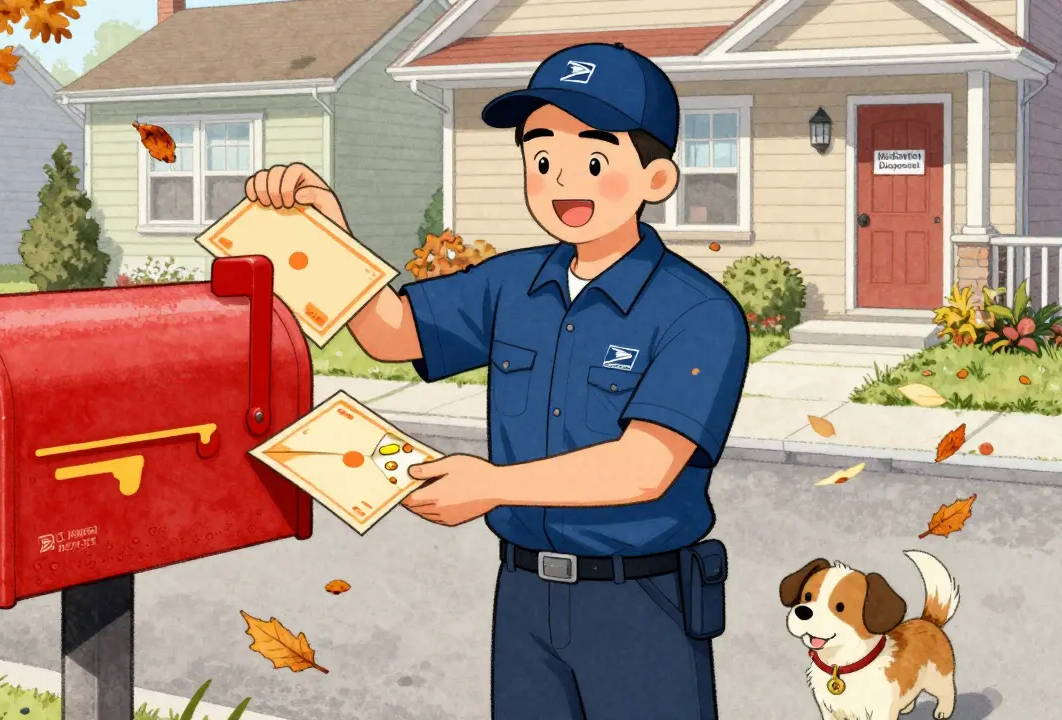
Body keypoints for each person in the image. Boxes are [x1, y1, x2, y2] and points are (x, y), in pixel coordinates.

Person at [244, 42, 748, 720]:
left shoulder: (699, 313)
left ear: (656, 178)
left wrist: (491, 486)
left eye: (593, 161)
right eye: (541, 160)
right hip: (524, 598)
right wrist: (326, 232)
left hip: (641, 602)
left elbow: (645, 467)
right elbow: (392, 333)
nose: (562, 181)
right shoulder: (513, 282)